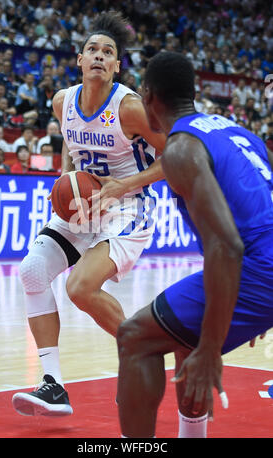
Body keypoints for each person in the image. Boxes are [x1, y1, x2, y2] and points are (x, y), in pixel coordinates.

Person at [12, 11, 166, 417]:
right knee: (31, 271)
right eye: (92, 50)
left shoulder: (130, 108)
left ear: (117, 66)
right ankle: (53, 384)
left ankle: (141, 351)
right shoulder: (63, 101)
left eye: (108, 52)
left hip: (128, 208)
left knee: (79, 288)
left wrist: (122, 185)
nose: (99, 56)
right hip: (85, 206)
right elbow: (70, 144)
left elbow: (176, 156)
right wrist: (67, 179)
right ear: (79, 60)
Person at [116, 51, 273, 438]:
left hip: (257, 267)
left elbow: (227, 245)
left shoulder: (180, 149)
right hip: (262, 266)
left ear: (148, 96)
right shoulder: (239, 132)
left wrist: (213, 345)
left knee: (135, 338)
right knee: (185, 331)